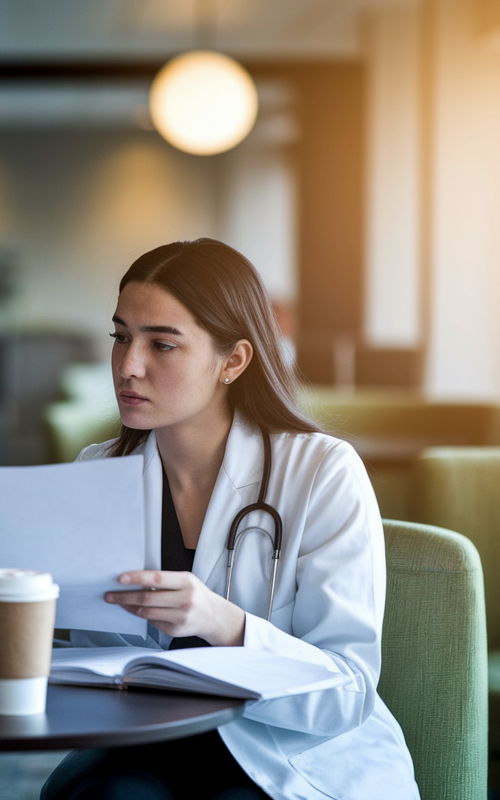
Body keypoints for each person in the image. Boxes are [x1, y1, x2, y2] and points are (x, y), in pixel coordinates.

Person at [41, 239, 419, 800]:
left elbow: (348, 691)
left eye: (162, 345)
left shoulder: (321, 472)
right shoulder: (97, 471)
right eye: (121, 337)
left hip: (285, 752)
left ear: (233, 361)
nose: (127, 365)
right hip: (141, 746)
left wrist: (226, 625)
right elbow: (82, 654)